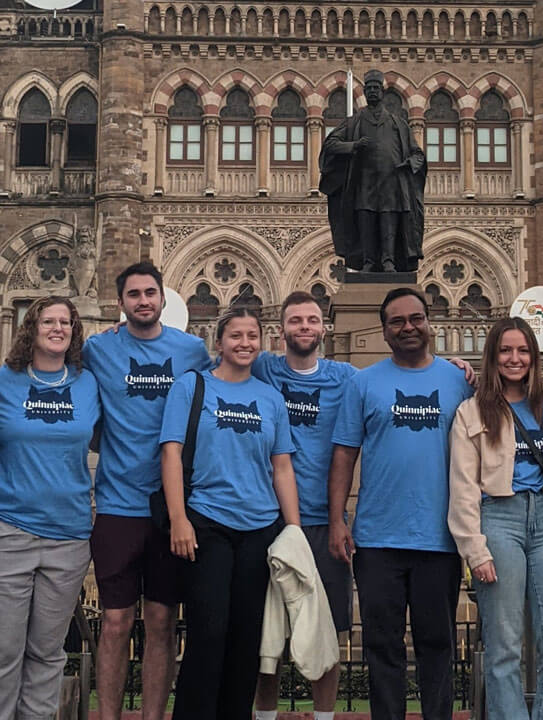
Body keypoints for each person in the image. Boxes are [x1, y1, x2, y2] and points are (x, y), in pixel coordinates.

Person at [328, 287, 474, 720]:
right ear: (386, 330)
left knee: (437, 645)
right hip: (377, 540)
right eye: (397, 321)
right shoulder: (364, 382)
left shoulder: (459, 381)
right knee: (381, 647)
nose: (408, 327)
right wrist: (338, 519)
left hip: (441, 538)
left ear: (430, 322)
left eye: (416, 318)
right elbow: (344, 453)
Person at [82, 261, 210, 720]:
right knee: (115, 622)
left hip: (171, 509)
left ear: (163, 299)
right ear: (121, 303)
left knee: (160, 622)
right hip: (117, 504)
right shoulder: (98, 350)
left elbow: (229, 386)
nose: (143, 301)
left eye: (150, 293)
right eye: (133, 294)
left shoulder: (192, 350)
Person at [160, 307, 300, 719]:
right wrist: (178, 518)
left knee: (247, 638)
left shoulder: (270, 398)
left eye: (251, 336)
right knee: (208, 632)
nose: (244, 343)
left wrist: (292, 530)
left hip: (259, 527)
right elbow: (171, 453)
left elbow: (282, 466)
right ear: (218, 342)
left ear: (262, 341)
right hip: (207, 522)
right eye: (235, 336)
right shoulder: (192, 386)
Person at [0, 296, 100, 720]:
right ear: (31, 328)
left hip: (69, 538)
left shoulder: (87, 384)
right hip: (4, 533)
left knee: (47, 655)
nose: (57, 328)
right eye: (48, 321)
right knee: (1, 655)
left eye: (65, 322)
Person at [448, 317, 543, 720]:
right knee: (504, 646)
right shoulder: (471, 411)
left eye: (523, 351)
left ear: (534, 358)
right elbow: (463, 487)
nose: (514, 358)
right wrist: (475, 550)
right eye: (505, 350)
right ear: (492, 357)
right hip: (498, 520)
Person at [250, 292, 357, 720]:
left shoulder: (346, 377)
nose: (305, 327)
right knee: (266, 636)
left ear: (324, 328)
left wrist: (461, 366)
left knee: (325, 632)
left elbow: (397, 377)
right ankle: (265, 715)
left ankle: (326, 716)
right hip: (267, 519)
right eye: (296, 321)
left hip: (324, 522)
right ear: (282, 331)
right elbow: (206, 368)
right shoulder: (262, 368)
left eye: (312, 320)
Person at [320, 69, 426, 273]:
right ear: (365, 93)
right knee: (366, 223)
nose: (373, 92)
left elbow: (418, 154)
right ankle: (368, 262)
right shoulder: (354, 122)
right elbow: (330, 144)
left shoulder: (398, 124)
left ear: (383, 92)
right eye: (369, 89)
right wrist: (353, 146)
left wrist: (409, 164)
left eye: (376, 88)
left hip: (391, 185)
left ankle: (388, 262)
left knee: (389, 224)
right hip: (364, 184)